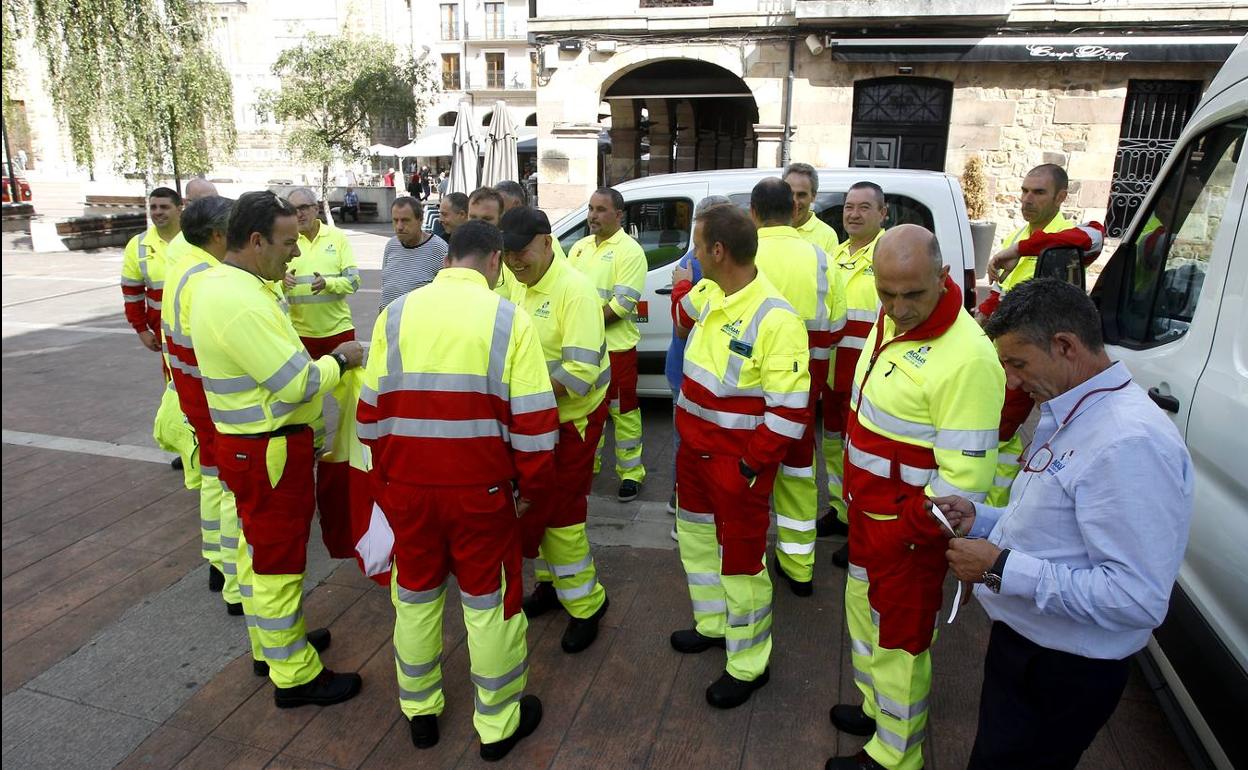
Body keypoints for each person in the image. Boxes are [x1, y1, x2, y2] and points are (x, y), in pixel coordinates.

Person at [931, 278, 1193, 770]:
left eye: (1018, 363)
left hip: (1062, 669)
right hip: (1032, 650)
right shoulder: (1077, 409)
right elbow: (1059, 528)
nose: (1011, 380)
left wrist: (998, 568)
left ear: (1065, 346)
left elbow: (1136, 597)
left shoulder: (1127, 443)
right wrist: (984, 520)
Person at [358, 219, 557, 760]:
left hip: (408, 489)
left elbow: (368, 417)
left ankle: (420, 712)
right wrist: (531, 490)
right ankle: (497, 723)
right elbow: (536, 426)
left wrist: (390, 482)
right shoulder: (509, 319)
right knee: (488, 604)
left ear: (449, 259)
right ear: (494, 261)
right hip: (481, 492)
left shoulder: (395, 315)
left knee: (415, 597)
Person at [825, 224, 1004, 770]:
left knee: (899, 642)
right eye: (886, 293)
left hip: (906, 534)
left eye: (912, 294)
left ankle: (895, 754)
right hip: (870, 518)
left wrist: (904, 533)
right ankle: (877, 709)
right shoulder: (897, 318)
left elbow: (962, 487)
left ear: (944, 277)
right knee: (865, 617)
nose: (898, 308)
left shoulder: (968, 359)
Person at [191, 191, 365, 708]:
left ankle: (274, 645)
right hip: (267, 451)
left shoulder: (238, 286)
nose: (294, 253)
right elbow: (296, 383)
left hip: (257, 449)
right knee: (278, 565)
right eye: (288, 243)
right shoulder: (239, 298)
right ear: (255, 239)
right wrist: (343, 357)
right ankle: (294, 675)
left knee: (260, 556)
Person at [669, 203, 810, 709]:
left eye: (697, 245)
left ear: (718, 251)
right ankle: (712, 624)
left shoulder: (777, 319)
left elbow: (789, 414)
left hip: (736, 468)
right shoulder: (709, 291)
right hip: (695, 457)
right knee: (698, 544)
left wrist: (751, 466)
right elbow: (680, 313)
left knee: (743, 564)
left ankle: (749, 664)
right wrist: (684, 285)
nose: (694, 253)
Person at [500, 206, 613, 654]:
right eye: (507, 254)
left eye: (521, 252)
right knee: (540, 511)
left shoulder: (575, 291)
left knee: (563, 519)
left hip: (572, 423)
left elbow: (580, 375)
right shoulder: (521, 284)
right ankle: (550, 586)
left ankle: (588, 604)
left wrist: (517, 397)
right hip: (536, 426)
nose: (514, 262)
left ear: (547, 242)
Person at [749, 178, 846, 596]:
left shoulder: (741, 252)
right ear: (794, 210)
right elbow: (837, 325)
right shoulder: (822, 258)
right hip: (802, 387)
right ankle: (799, 565)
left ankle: (746, 562)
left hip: (745, 387)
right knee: (798, 472)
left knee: (749, 477)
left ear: (753, 212)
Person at [977, 164, 1075, 509]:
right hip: (1002, 354)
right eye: (1024, 191)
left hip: (1027, 359)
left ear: (1061, 197)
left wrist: (1021, 249)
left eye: (1038, 192)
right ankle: (994, 505)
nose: (1027, 199)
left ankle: (992, 513)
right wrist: (982, 316)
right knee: (996, 432)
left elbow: (1092, 235)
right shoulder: (1019, 235)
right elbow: (1003, 289)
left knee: (999, 432)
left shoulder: (1063, 238)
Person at [815, 182, 889, 568]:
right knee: (834, 447)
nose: (854, 214)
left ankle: (861, 530)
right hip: (833, 372)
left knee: (864, 455)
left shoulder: (889, 255)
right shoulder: (835, 254)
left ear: (883, 213)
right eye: (848, 207)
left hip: (871, 377)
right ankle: (840, 512)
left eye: (864, 207)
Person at [567, 187, 648, 502]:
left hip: (616, 350)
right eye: (590, 208)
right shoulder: (580, 248)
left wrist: (579, 325)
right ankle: (591, 465)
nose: (593, 215)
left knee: (623, 412)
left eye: (601, 209)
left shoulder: (630, 251)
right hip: (585, 349)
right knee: (588, 411)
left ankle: (631, 473)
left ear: (619, 215)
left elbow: (622, 306)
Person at [666, 195, 728, 532]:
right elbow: (682, 322)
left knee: (687, 441)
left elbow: (681, 321)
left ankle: (681, 503)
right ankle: (680, 502)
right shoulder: (703, 259)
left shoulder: (696, 262)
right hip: (693, 369)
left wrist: (680, 284)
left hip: (691, 369)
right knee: (690, 442)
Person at [283, 188, 361, 448]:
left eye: (304, 207)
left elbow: (353, 281)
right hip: (301, 334)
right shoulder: (286, 241)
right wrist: (281, 282)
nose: (299, 214)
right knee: (307, 395)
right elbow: (267, 282)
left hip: (337, 330)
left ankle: (352, 444)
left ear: (316, 208)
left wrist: (328, 283)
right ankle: (314, 445)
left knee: (350, 394)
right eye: (294, 209)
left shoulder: (337, 238)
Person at [122, 187, 182, 360]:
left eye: (164, 207)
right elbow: (132, 293)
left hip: (198, 324)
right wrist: (141, 330)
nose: (158, 212)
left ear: (179, 209)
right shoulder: (138, 244)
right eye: (153, 207)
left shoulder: (195, 239)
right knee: (174, 379)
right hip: (161, 329)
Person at [381, 197, 448, 311]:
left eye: (405, 220)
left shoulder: (439, 249)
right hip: (388, 324)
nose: (399, 227)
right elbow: (385, 287)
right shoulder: (391, 246)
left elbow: (448, 295)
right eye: (395, 220)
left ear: (420, 220)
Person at [783, 162, 840, 255]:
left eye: (801, 195)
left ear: (813, 196)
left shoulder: (827, 236)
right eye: (790, 193)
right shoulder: (769, 228)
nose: (795, 201)